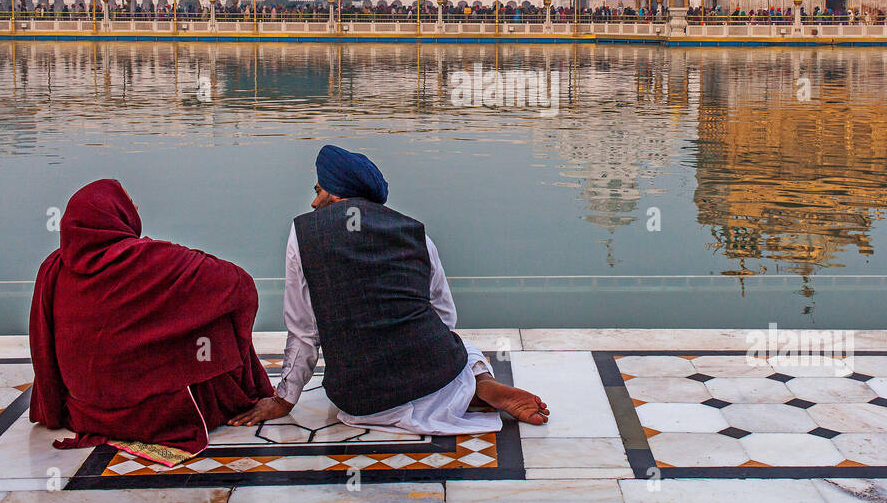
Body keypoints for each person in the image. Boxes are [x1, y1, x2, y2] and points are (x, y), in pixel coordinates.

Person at [231, 145, 549, 433]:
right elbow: (444, 317)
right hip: (436, 376)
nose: (314, 202)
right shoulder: (414, 232)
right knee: (465, 352)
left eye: (318, 190)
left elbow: (304, 332)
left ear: (337, 192)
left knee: (401, 363)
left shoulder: (304, 233)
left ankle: (467, 391)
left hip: (363, 400)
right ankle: (480, 386)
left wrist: (284, 400)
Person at [29, 179, 274, 455]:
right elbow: (240, 286)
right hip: (156, 414)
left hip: (86, 411)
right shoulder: (150, 259)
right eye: (128, 202)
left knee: (185, 312)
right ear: (116, 214)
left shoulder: (53, 268)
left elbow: (43, 347)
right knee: (212, 313)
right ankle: (238, 396)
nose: (134, 206)